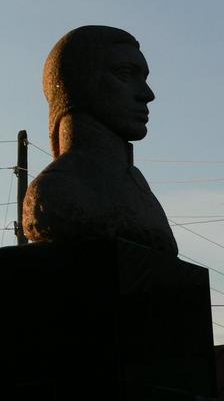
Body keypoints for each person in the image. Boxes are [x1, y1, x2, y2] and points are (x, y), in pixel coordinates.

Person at [22, 25, 178, 255]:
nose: (147, 94)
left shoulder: (137, 188)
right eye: (125, 74)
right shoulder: (56, 190)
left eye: (143, 78)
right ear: (79, 83)